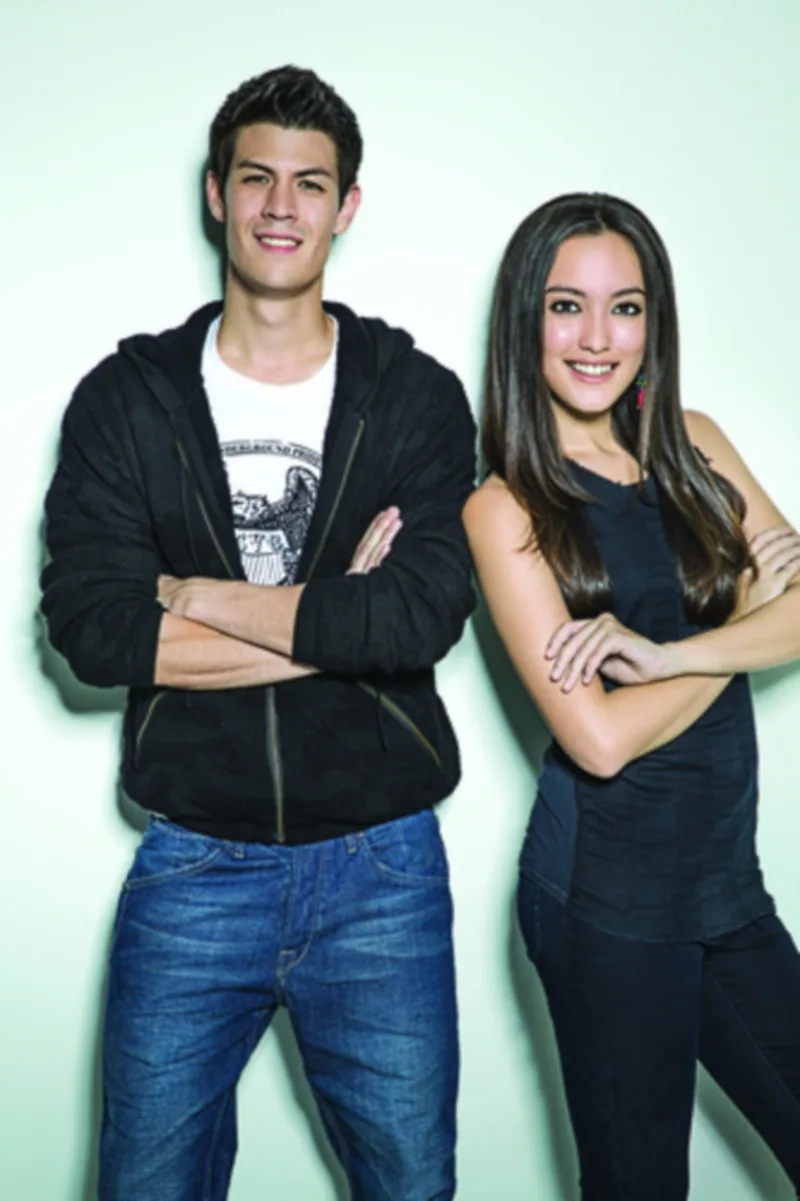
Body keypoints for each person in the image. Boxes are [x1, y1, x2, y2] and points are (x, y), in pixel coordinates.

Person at [41, 65, 475, 1201]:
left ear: (347, 206)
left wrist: (190, 594)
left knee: (410, 1185)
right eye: (256, 178)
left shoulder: (414, 395)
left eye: (310, 183)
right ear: (215, 193)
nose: (281, 206)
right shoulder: (125, 399)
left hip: (381, 866)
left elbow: (419, 616)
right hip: (195, 861)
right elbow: (92, 627)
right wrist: (342, 612)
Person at [464, 192, 800, 1200]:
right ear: (525, 321)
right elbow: (599, 741)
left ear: (654, 322)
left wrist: (667, 656)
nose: (597, 338)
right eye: (566, 306)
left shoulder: (696, 443)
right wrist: (741, 619)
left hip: (723, 882)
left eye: (626, 307)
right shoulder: (504, 507)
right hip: (603, 902)